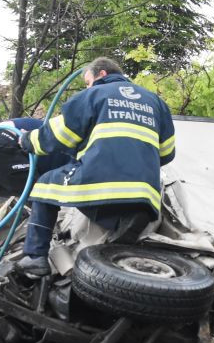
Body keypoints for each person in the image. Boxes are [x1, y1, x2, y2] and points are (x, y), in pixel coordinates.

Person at [16, 57, 176, 277]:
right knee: (105, 198)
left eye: (87, 81)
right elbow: (167, 154)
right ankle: (123, 219)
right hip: (145, 192)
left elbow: (56, 137)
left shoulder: (91, 95)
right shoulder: (155, 102)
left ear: (101, 75)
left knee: (44, 185)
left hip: (101, 181)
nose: (87, 86)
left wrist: (27, 141)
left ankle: (35, 258)